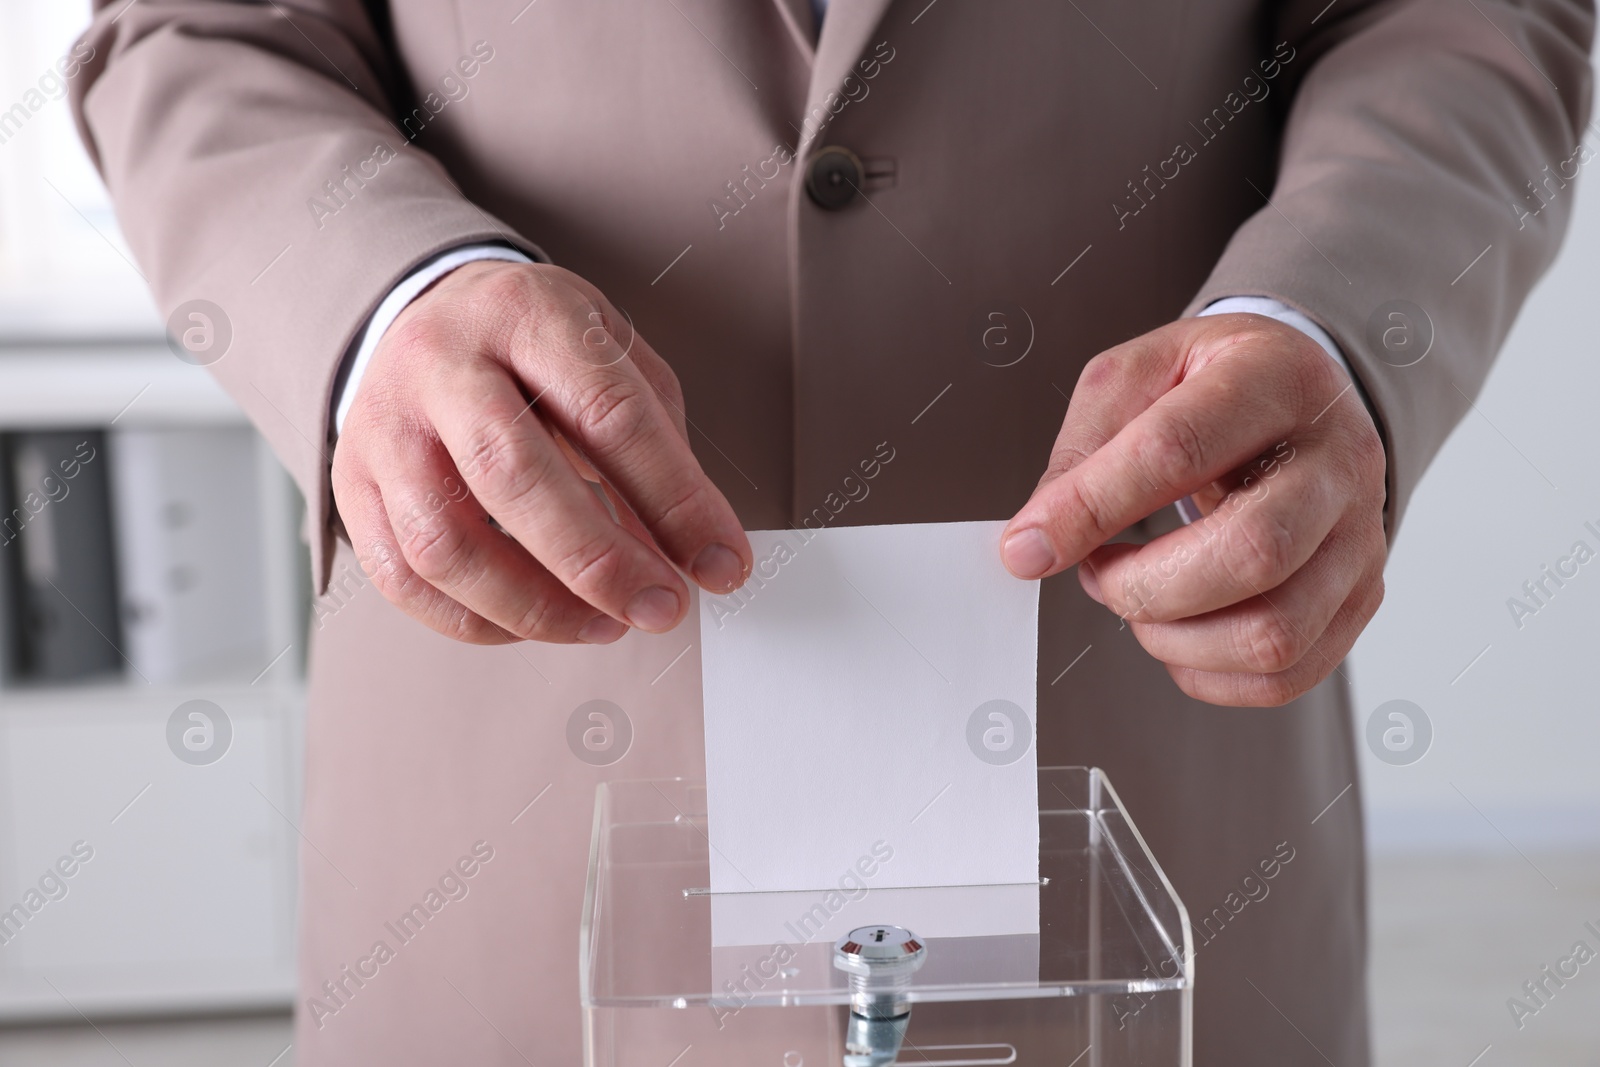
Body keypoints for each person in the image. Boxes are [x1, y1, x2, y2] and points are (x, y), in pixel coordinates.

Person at [71, 0, 1591, 1063]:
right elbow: (196, 28)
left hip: (1143, 772)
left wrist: (1322, 318)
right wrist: (387, 299)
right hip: (518, 798)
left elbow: (1457, 13)